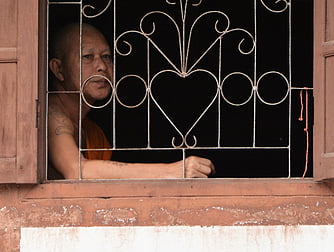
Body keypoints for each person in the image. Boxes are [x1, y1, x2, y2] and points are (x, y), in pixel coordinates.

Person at [47, 22, 216, 179]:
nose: (102, 66)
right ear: (58, 69)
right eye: (87, 56)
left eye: (106, 56)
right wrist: (172, 171)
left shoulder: (92, 131)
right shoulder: (52, 114)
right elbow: (76, 170)